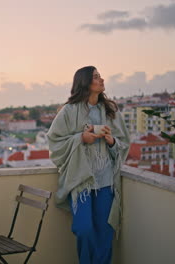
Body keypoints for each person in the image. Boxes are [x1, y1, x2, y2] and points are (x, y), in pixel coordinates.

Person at [46, 66, 131, 264]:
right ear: (85, 82)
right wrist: (80, 138)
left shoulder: (110, 111)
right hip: (81, 182)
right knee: (84, 230)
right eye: (96, 77)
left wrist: (111, 141)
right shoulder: (68, 111)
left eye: (100, 76)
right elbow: (54, 142)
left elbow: (123, 143)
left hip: (105, 181)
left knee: (105, 232)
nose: (101, 80)